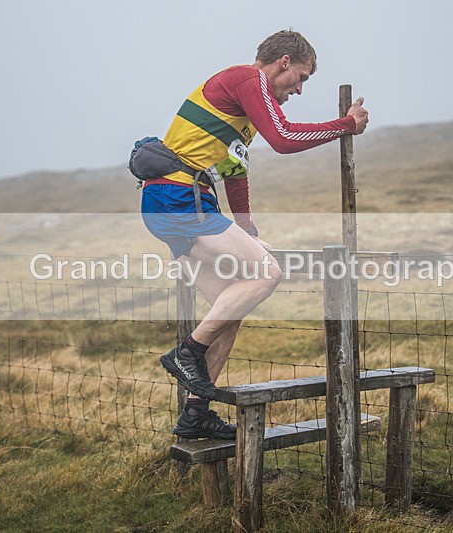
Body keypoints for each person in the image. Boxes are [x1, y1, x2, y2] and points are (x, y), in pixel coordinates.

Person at [140, 29, 369, 440]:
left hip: (174, 203)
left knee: (228, 309)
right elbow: (282, 139)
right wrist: (345, 125)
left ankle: (196, 414)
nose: (298, 90)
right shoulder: (250, 80)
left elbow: (234, 171)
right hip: (178, 198)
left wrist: (247, 231)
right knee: (267, 273)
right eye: (300, 78)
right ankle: (187, 352)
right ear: (283, 62)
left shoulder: (242, 113)